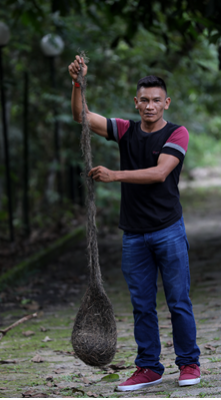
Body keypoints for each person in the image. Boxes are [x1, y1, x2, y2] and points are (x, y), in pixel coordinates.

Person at [68, 55, 200, 392]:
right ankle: (148, 368)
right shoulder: (126, 130)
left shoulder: (177, 133)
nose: (150, 106)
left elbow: (159, 173)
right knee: (142, 306)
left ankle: (188, 363)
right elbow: (81, 117)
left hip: (169, 229)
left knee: (178, 301)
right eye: (144, 100)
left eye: (157, 100)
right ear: (136, 102)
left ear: (165, 102)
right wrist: (77, 84)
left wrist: (115, 175)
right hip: (135, 235)